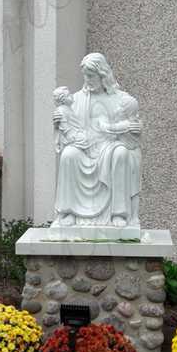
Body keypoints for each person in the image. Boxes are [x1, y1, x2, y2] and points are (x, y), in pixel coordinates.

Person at [52, 52, 141, 228]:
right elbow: (69, 130)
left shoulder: (122, 100)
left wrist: (133, 129)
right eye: (85, 76)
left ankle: (119, 213)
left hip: (111, 147)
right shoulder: (77, 100)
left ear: (102, 75)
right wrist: (58, 121)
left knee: (121, 153)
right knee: (68, 155)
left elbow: (132, 132)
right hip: (85, 148)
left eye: (91, 76)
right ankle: (68, 211)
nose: (87, 80)